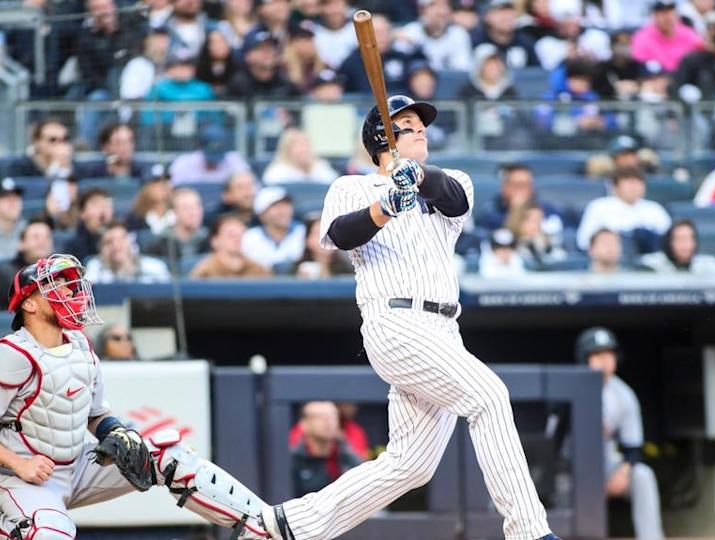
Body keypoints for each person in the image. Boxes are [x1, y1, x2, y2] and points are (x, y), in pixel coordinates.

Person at [210, 95, 561, 540]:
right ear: (383, 138)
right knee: (489, 396)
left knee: (410, 465)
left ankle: (288, 525)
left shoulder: (452, 180)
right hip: (395, 323)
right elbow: (338, 234)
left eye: (421, 125)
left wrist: (417, 178)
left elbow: (451, 199)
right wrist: (385, 206)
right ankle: (529, 532)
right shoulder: (351, 187)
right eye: (410, 125)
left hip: (443, 330)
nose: (422, 131)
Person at [0, 254, 277, 539]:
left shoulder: (81, 346)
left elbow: (96, 415)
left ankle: (263, 527)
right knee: (51, 532)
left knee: (169, 454)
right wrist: (19, 464)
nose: (69, 292)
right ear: (29, 303)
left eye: (69, 285)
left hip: (74, 465)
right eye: (54, 285)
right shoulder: (11, 353)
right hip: (18, 475)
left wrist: (117, 433)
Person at [576, 327, 664, 539]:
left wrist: (623, 473)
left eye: (609, 354)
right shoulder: (570, 387)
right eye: (597, 355)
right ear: (585, 359)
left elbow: (633, 447)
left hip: (606, 466)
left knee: (642, 476)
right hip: (570, 467)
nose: (604, 361)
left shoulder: (623, 394)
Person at [577, 167, 671, 254]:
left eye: (639, 182)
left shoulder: (654, 208)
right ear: (615, 187)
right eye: (630, 182)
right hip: (612, 261)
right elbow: (584, 241)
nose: (634, 187)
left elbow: (670, 241)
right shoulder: (599, 206)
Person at [289, 401, 365, 498]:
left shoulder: (345, 454)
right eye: (320, 417)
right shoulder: (293, 459)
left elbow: (364, 483)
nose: (328, 422)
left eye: (333, 416)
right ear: (304, 424)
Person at [338, 14, 426, 93]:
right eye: (376, 32)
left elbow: (422, 64)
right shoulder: (351, 63)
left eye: (385, 31)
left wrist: (411, 43)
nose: (382, 37)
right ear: (365, 35)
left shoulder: (401, 57)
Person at [0, 219, 55, 312]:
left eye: (47, 237)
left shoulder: (62, 271)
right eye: (36, 237)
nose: (42, 242)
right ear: (21, 244)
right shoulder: (4, 272)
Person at [475, 162, 560, 231]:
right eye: (517, 185)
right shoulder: (491, 213)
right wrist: (516, 212)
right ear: (504, 188)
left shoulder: (546, 209)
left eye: (526, 185)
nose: (521, 190)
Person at [84, 221, 171, 283]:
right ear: (101, 250)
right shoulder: (95, 269)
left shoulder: (154, 267)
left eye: (120, 240)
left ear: (131, 242)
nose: (116, 246)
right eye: (109, 242)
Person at [242, 187, 306, 271]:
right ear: (261, 215)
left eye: (286, 205)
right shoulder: (249, 237)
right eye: (276, 207)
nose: (283, 211)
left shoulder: (304, 232)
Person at [190, 213, 271, 278]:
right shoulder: (205, 272)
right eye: (231, 235)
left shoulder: (259, 271)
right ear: (215, 241)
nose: (238, 239)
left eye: (241, 234)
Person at [399, 0, 473, 71]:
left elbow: (461, 71)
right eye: (434, 5)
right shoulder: (410, 32)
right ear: (421, 10)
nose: (441, 12)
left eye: (445, 5)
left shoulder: (458, 34)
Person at [629, 0, 702, 73]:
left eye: (671, 12)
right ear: (654, 16)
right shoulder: (642, 37)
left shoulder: (687, 33)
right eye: (663, 13)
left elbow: (701, 51)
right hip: (657, 77)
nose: (668, 18)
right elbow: (641, 64)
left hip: (685, 77)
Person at [169, 123, 253, 185]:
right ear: (199, 148)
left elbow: (254, 188)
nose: (214, 162)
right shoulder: (183, 163)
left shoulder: (235, 161)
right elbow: (173, 189)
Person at [227, 30, 300, 98]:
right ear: (247, 56)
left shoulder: (285, 82)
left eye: (271, 47)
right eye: (260, 48)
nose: (267, 52)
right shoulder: (239, 84)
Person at [143, 187, 209, 260]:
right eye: (185, 208)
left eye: (196, 207)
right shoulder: (159, 243)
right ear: (174, 212)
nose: (193, 213)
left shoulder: (211, 240)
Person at [470, 0, 540, 69]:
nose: (507, 17)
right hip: (484, 79)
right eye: (500, 12)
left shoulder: (525, 42)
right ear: (487, 16)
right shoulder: (475, 40)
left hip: (518, 80)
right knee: (485, 50)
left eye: (509, 12)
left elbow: (537, 73)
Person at [639, 220, 715, 274]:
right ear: (669, 242)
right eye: (680, 239)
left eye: (690, 239)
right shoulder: (651, 265)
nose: (686, 244)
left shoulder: (709, 264)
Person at [262, 128, 339, 184]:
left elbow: (335, 186)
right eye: (297, 145)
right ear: (287, 149)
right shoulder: (277, 172)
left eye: (306, 144)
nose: (304, 149)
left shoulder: (320, 166)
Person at [5, 119, 76, 179]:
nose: (60, 144)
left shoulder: (76, 166)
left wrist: (67, 168)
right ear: (37, 142)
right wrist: (54, 168)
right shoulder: (19, 167)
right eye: (52, 140)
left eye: (64, 139)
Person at [506, 202, 565, 270]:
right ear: (518, 221)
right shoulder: (505, 244)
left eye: (540, 220)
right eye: (533, 220)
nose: (537, 225)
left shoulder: (548, 243)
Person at [64, 188, 114, 263]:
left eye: (106, 203)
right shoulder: (73, 247)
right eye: (96, 204)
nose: (102, 208)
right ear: (82, 213)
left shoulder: (122, 238)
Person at [126, 164, 175, 234]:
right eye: (156, 182)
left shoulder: (179, 213)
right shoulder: (135, 219)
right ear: (145, 188)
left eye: (166, 180)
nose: (163, 185)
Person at [196, 29, 237, 95]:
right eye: (214, 43)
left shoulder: (237, 63)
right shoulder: (200, 67)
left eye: (222, 41)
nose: (219, 46)